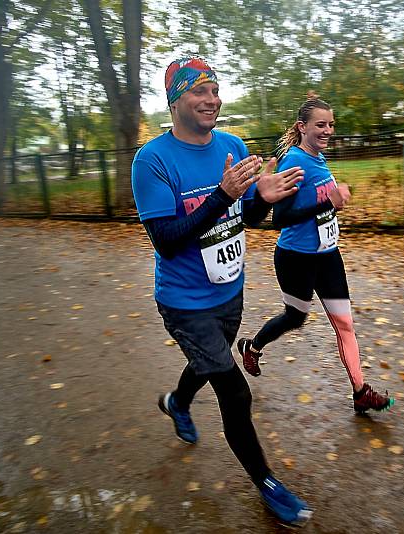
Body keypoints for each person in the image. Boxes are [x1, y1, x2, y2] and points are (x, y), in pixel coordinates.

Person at [131, 56, 312, 526]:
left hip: (229, 294)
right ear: (176, 99)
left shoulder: (232, 145)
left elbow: (245, 218)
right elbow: (167, 243)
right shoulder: (152, 160)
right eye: (199, 92)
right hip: (184, 302)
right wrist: (223, 196)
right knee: (234, 390)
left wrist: (264, 200)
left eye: (215, 91)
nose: (212, 100)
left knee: (207, 362)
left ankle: (177, 402)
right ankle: (267, 483)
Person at [237, 97, 394, 414]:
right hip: (296, 258)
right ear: (302, 127)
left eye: (331, 124)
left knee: (345, 325)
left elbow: (324, 204)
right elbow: (279, 220)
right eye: (320, 125)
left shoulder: (320, 160)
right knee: (295, 317)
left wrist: (331, 203)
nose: (327, 130)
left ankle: (360, 391)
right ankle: (251, 347)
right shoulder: (294, 164)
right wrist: (329, 203)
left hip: (328, 256)